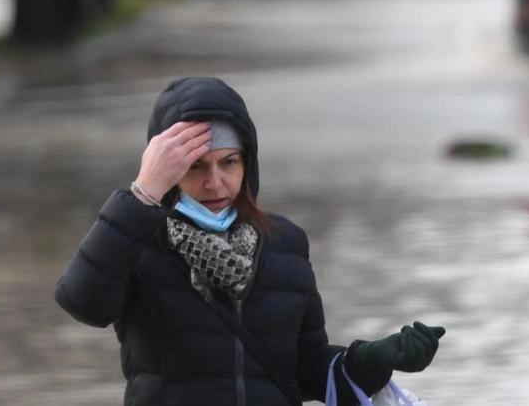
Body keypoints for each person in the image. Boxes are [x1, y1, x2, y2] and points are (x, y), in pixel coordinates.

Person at [55, 76, 445, 405]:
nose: (215, 182)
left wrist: (373, 359)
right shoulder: (138, 243)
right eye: (195, 167)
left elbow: (307, 369)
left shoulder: (285, 244)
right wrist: (142, 194)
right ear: (167, 170)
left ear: (248, 162)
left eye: (229, 162)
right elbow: (82, 302)